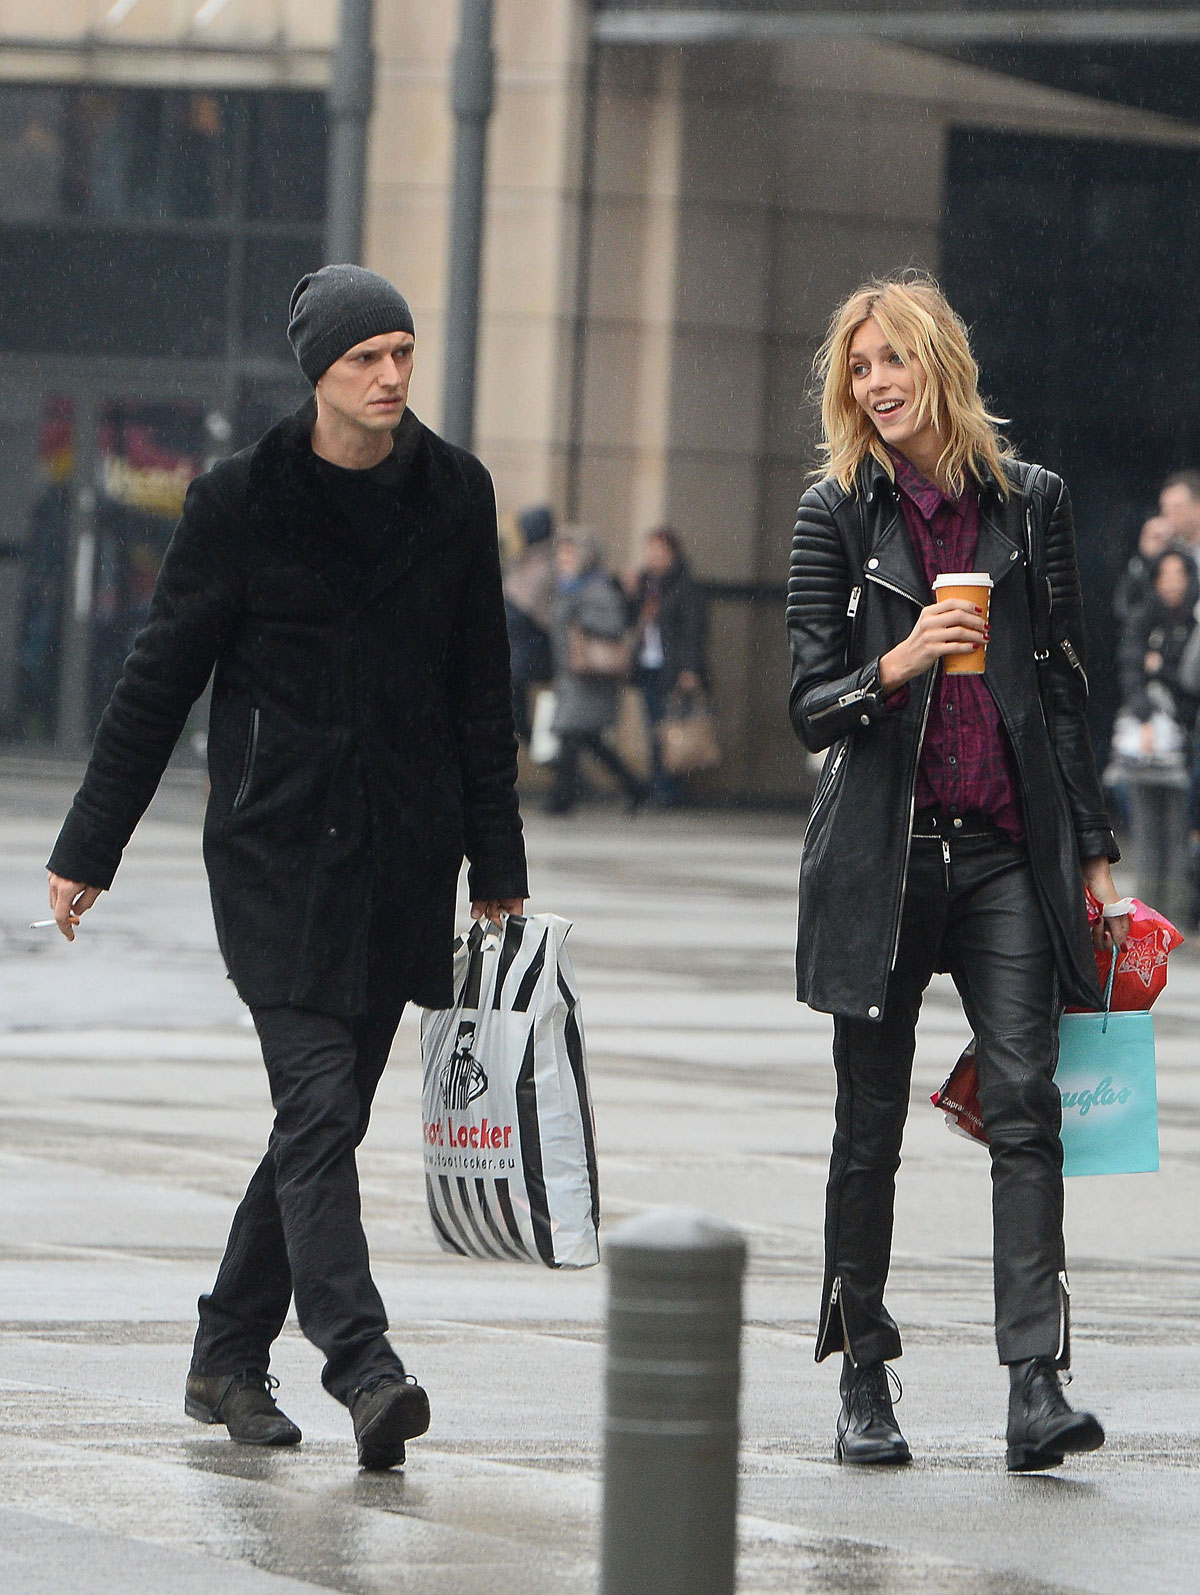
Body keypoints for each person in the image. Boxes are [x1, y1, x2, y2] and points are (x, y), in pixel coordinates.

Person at [44, 264, 528, 1470]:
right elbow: (158, 679)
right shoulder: (238, 502)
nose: (392, 375)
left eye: (405, 353)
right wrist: (87, 846)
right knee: (316, 1105)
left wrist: (496, 864)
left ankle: (223, 1351)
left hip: (401, 856)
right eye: (368, 357)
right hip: (275, 852)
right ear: (318, 370)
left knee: (324, 1118)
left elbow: (483, 693)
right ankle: (364, 1364)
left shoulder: (455, 495)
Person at [788, 274, 1128, 1474]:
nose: (878, 383)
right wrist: (900, 659)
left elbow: (1070, 692)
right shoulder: (834, 512)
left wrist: (1090, 848)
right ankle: (864, 1380)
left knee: (1027, 1107)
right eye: (860, 366)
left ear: (941, 367)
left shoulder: (1033, 506)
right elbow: (808, 706)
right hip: (881, 860)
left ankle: (1036, 1382)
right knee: (868, 1124)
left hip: (1001, 853)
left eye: (896, 360)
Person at [1116, 549, 1199, 926]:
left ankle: (1177, 915)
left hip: (1185, 739)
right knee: (1146, 828)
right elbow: (1131, 669)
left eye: (1178, 576)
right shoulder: (1142, 618)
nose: (1172, 584)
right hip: (1144, 739)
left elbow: (1188, 681)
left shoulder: (1194, 621)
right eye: (1164, 576)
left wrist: (1160, 665)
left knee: (1179, 828)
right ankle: (1147, 917)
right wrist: (1145, 716)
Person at [546, 532, 646, 815]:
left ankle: (562, 799)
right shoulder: (568, 589)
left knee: (572, 734)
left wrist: (582, 620)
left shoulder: (596, 590)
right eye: (561, 555)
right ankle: (634, 786)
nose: (564, 561)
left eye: (570, 555)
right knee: (586, 737)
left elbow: (611, 626)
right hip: (573, 674)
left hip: (589, 676)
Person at [625, 526, 707, 806]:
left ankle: (670, 789)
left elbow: (692, 631)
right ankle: (659, 787)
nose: (654, 557)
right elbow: (630, 621)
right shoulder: (646, 585)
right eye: (651, 551)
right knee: (654, 730)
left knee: (672, 730)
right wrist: (631, 594)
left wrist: (690, 669)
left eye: (660, 551)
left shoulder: (684, 586)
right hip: (648, 665)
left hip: (672, 669)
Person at [503, 504, 557, 744]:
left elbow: (523, 609)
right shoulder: (525, 561)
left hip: (532, 652)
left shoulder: (544, 565)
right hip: (519, 652)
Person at [1112, 513, 1172, 630]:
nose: (1158, 543)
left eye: (1163, 538)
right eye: (1155, 537)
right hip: (1141, 628)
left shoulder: (1180, 564)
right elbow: (1122, 605)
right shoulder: (1135, 567)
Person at [1158, 470, 1200, 567]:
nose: (1168, 516)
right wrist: (1147, 558)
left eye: (1176, 508)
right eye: (1164, 508)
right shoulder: (1167, 551)